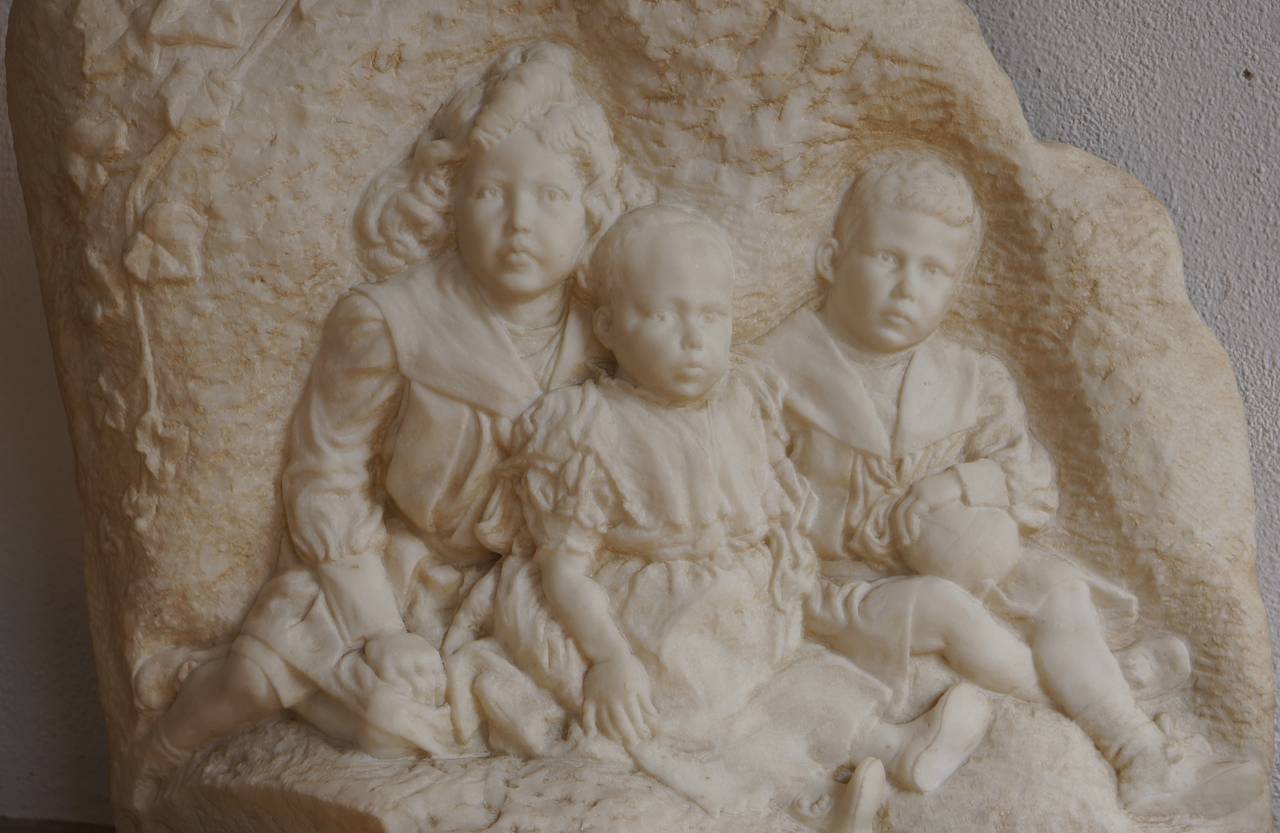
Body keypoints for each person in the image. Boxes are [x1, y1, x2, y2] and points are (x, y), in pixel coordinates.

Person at [140, 42, 641, 765]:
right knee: (259, 676)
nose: (519, 222)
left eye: (551, 196)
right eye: (491, 193)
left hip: (538, 585)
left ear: (593, 211)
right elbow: (327, 471)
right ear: (449, 198)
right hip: (396, 573)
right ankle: (160, 756)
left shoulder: (605, 329)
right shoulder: (391, 320)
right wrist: (380, 626)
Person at [758, 149, 1265, 820]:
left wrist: (961, 484)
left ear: (958, 284)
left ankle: (1144, 756)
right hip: (847, 585)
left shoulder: (972, 378)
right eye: (888, 258)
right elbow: (747, 493)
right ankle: (1126, 721)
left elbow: (1031, 482)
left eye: (933, 270)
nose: (908, 287)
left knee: (1056, 583)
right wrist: (841, 525)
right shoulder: (778, 374)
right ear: (831, 259)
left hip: (967, 555)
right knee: (947, 606)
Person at [462, 204, 995, 827]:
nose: (692, 339)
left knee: (795, 684)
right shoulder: (588, 427)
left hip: (744, 608)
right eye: (662, 316)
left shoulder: (744, 399)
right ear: (607, 325)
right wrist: (609, 658)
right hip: (655, 623)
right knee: (712, 718)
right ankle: (806, 801)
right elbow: (565, 570)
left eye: (711, 316)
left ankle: (893, 747)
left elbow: (776, 503)